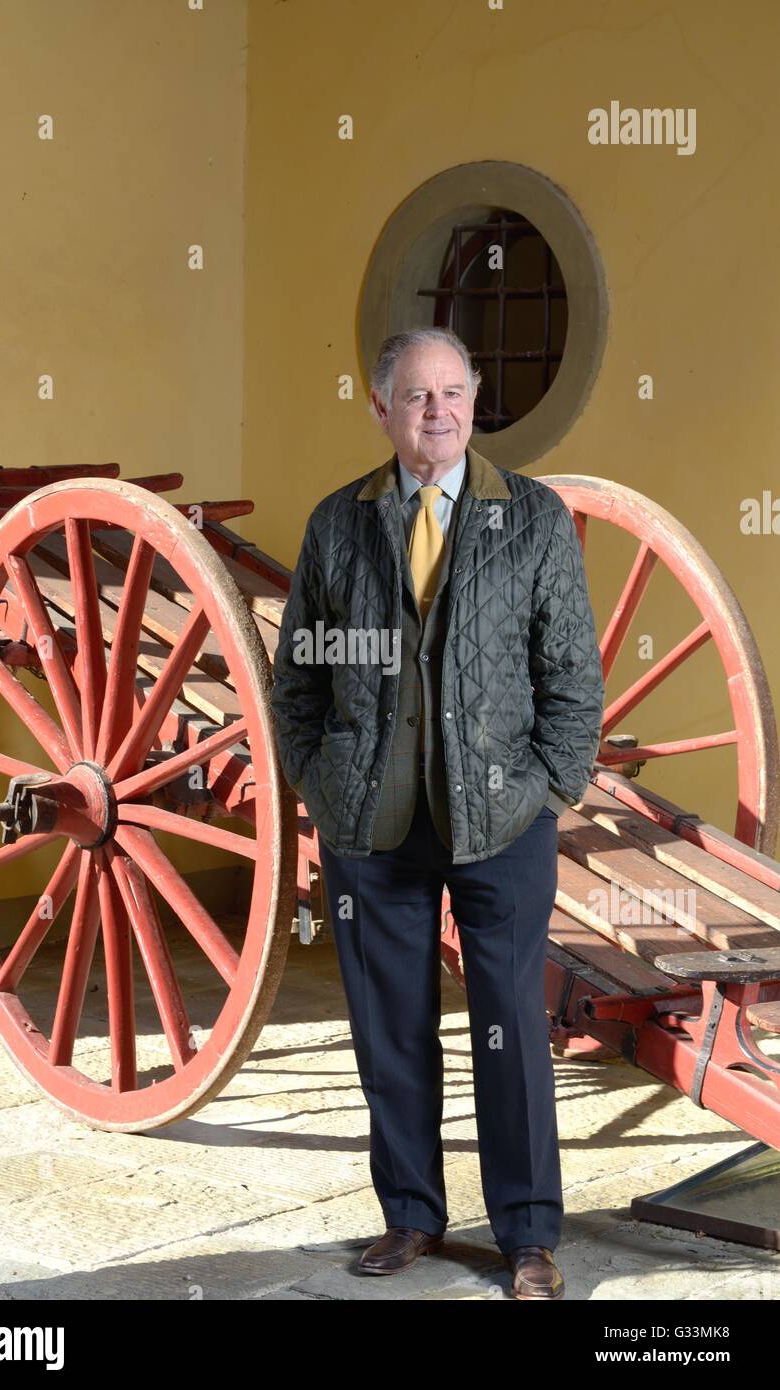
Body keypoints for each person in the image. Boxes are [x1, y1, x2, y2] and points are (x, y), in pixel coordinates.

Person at [270, 327, 604, 1299]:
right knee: (394, 1026)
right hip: (372, 828)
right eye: (418, 396)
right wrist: (319, 784)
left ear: (473, 399)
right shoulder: (340, 525)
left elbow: (573, 678)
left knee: (508, 1024)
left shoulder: (531, 518)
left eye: (455, 391)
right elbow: (297, 681)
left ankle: (527, 1236)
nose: (440, 411)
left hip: (501, 823)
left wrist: (548, 788)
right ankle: (411, 1214)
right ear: (381, 408)